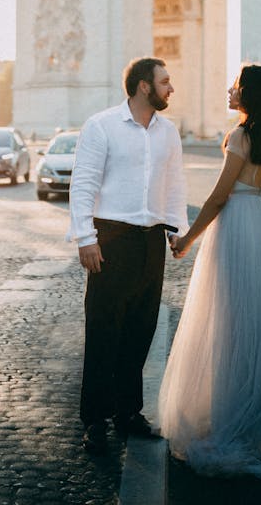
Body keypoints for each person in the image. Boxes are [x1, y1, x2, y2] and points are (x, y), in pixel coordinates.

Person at [158, 63, 261, 481]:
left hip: (236, 229)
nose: (229, 89)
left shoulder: (239, 136)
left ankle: (228, 422)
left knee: (227, 328)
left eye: (236, 85)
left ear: (249, 94)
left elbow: (220, 197)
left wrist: (185, 240)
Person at [68, 57, 189, 456]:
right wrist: (86, 238)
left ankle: (127, 413)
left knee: (140, 331)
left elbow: (174, 186)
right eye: (165, 82)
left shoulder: (169, 133)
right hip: (112, 238)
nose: (171, 88)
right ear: (142, 86)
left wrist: (178, 230)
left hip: (151, 240)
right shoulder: (101, 126)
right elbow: (83, 185)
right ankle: (96, 421)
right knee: (104, 332)